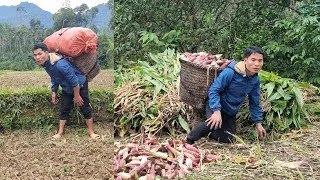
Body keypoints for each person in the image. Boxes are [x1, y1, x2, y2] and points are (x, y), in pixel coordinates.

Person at [186, 46, 266, 144]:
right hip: (215, 104)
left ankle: (207, 132)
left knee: (228, 139)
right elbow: (214, 90)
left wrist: (258, 123)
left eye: (260, 60)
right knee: (212, 124)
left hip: (230, 111)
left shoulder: (255, 80)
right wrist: (216, 111)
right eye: (253, 60)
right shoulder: (231, 72)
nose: (256, 64)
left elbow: (254, 102)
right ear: (245, 60)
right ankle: (189, 139)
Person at [32, 43, 100, 139]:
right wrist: (54, 92)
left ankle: (91, 132)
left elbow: (75, 81)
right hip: (67, 87)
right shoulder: (47, 65)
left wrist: (77, 96)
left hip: (80, 85)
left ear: (47, 53)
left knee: (85, 107)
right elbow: (54, 78)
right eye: (35, 55)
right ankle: (60, 132)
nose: (37, 57)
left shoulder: (60, 64)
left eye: (39, 54)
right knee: (64, 109)